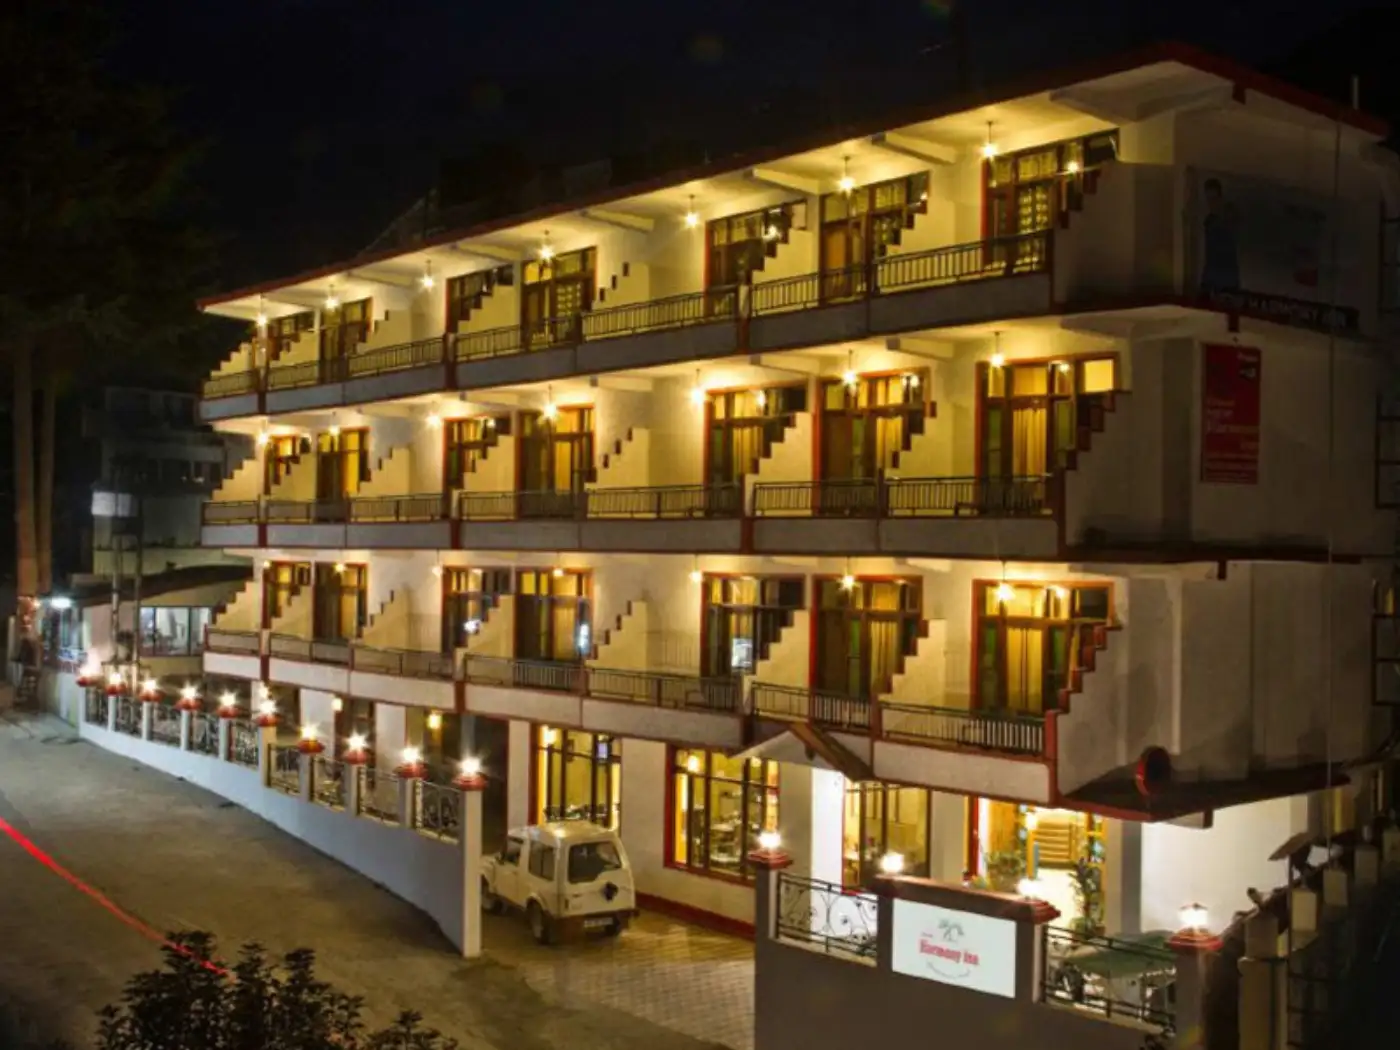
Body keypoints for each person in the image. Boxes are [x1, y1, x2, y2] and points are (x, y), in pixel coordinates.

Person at [1199, 177, 1240, 294]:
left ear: (1220, 198)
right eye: (1208, 200)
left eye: (1214, 199)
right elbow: (1209, 254)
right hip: (1211, 278)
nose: (1211, 203)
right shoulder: (1209, 221)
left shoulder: (1228, 217)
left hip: (1227, 281)